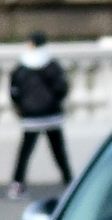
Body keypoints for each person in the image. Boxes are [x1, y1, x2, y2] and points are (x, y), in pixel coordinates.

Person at [7, 33, 71, 199]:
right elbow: (62, 88)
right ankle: (69, 182)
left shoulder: (21, 66)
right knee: (58, 151)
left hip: (30, 116)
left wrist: (22, 107)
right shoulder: (52, 65)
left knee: (25, 151)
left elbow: (14, 91)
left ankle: (17, 183)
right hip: (51, 114)